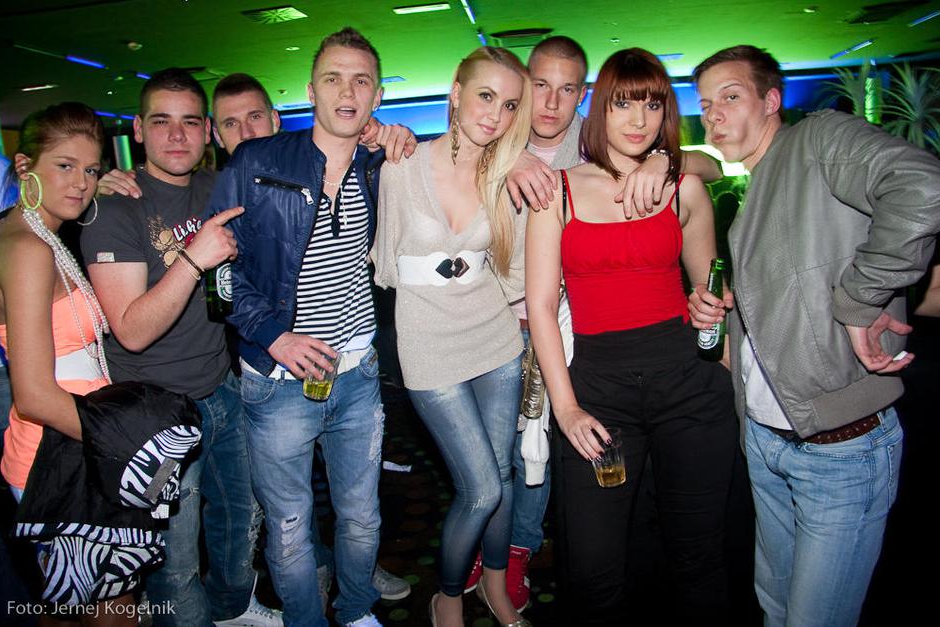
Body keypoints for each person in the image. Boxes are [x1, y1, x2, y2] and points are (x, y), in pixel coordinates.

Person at [689, 45, 940, 627]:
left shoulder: (816, 140)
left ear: (771, 101)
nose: (714, 114)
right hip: (767, 442)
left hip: (839, 451)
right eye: (705, 104)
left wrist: (860, 299)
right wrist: (726, 314)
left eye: (731, 96)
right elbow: (798, 290)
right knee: (775, 609)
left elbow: (923, 184)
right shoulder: (758, 183)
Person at [490, 36, 726, 612]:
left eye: (652, 104)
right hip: (599, 390)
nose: (639, 119)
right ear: (600, 110)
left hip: (687, 387)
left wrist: (712, 310)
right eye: (624, 103)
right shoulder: (559, 193)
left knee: (697, 556)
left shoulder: (683, 188)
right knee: (595, 567)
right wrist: (567, 408)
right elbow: (541, 308)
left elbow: (711, 292)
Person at [207, 27, 415, 627]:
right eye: (333, 78)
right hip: (277, 383)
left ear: (377, 95)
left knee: (361, 516)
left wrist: (396, 139)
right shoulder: (256, 162)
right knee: (291, 527)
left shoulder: (382, 165)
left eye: (361, 80)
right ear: (311, 90)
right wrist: (274, 336)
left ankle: (355, 611)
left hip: (357, 375)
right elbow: (218, 273)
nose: (347, 92)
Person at [80, 69, 280, 627]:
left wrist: (377, 137)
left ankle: (233, 608)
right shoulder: (113, 208)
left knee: (241, 518)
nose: (176, 135)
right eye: (161, 122)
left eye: (190, 122)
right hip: (155, 412)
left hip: (221, 388)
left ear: (207, 131)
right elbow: (131, 330)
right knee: (175, 560)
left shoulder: (216, 185)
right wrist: (194, 258)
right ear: (138, 129)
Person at [373, 46, 533, 627]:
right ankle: (446, 594)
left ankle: (494, 585)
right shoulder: (402, 165)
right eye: (486, 96)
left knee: (503, 477)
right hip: (428, 342)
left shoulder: (507, 177)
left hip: (495, 337)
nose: (495, 114)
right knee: (481, 488)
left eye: (509, 104)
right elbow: (386, 267)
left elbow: (512, 273)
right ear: (456, 94)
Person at [0, 102, 134, 624]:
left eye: (91, 169)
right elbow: (34, 395)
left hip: (69, 448)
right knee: (112, 613)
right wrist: (127, 441)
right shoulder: (28, 249)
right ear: (24, 166)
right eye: (65, 166)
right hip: (56, 457)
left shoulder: (40, 234)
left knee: (79, 609)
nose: (81, 183)